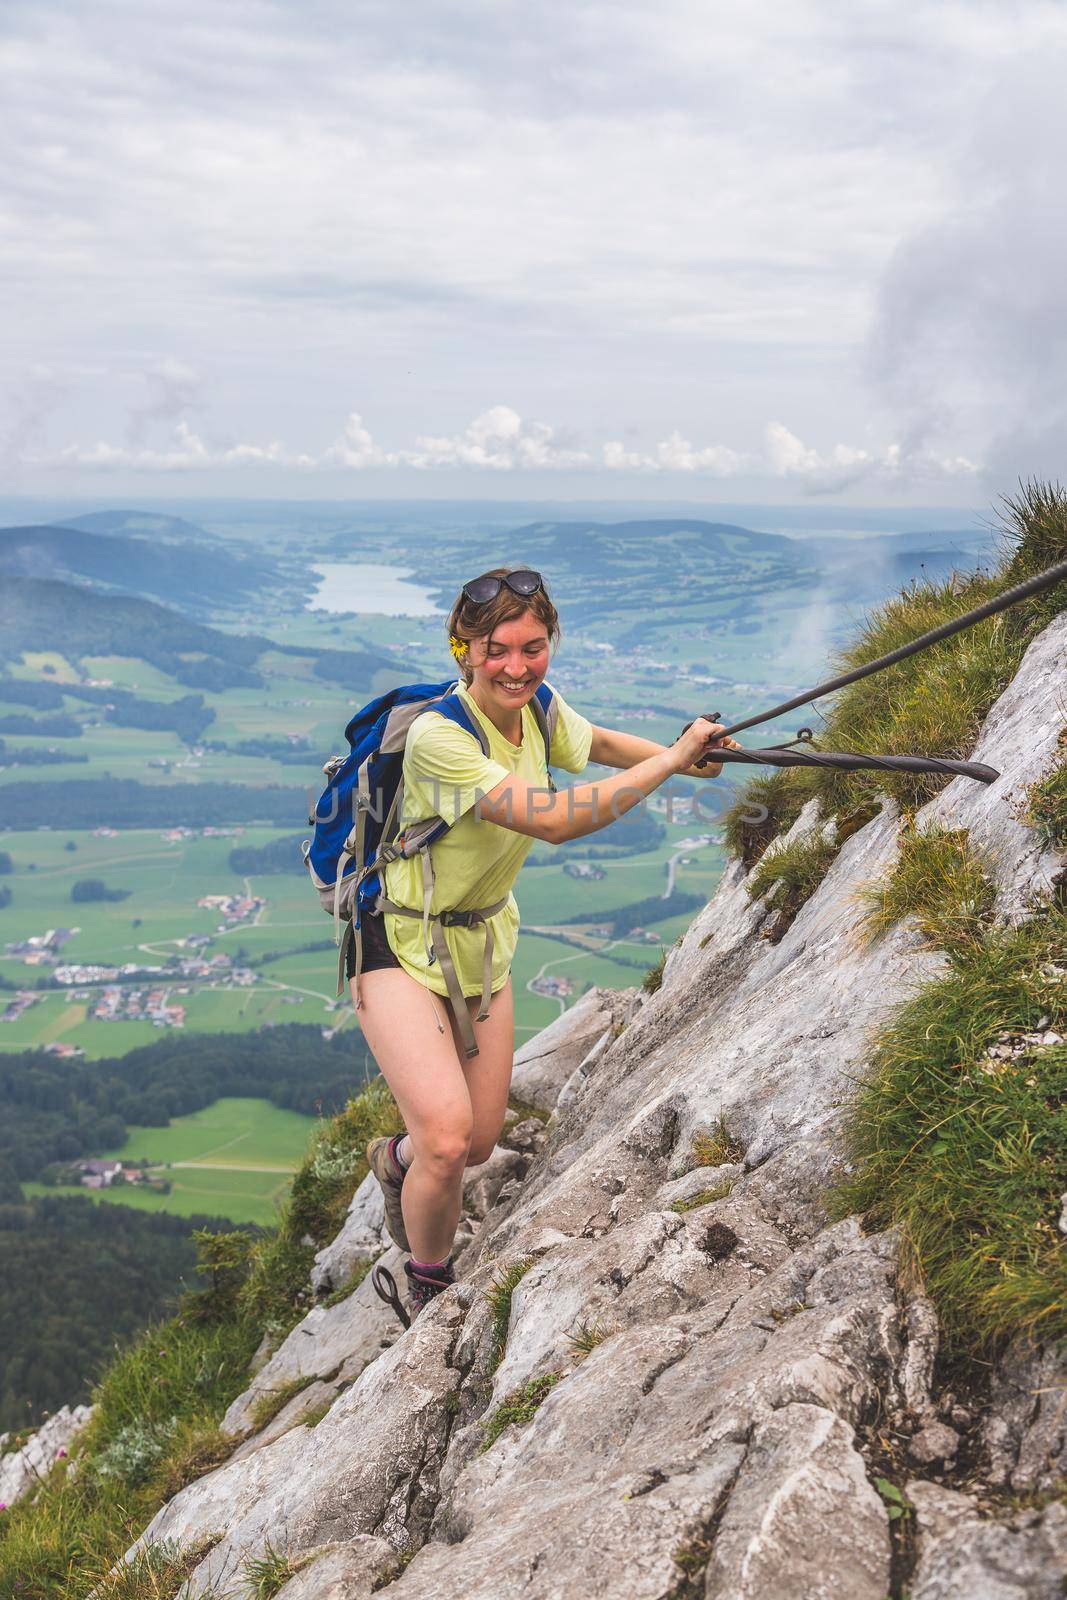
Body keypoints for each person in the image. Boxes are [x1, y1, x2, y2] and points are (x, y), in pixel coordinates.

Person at [354, 566, 739, 1318]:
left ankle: (391, 1158)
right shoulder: (439, 737)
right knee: (445, 1138)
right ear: (462, 648)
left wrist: (685, 750)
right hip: (398, 943)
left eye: (533, 647)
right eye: (495, 649)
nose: (516, 666)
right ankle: (427, 1284)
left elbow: (590, 741)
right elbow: (552, 819)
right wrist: (671, 761)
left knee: (475, 1144)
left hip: (479, 939)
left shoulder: (537, 710)